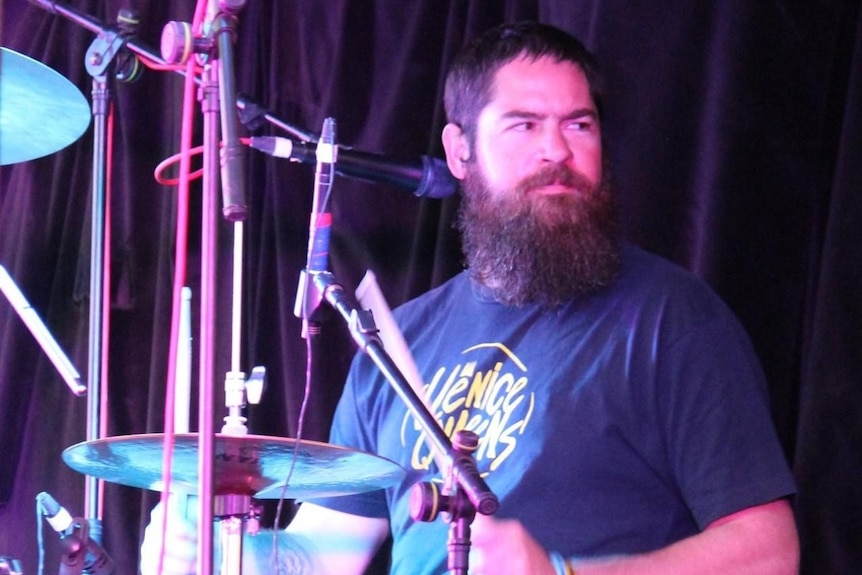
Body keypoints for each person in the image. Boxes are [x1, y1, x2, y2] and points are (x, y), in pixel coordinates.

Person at [141, 20, 799, 575]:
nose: (557, 151)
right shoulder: (395, 340)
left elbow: (771, 552)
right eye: (523, 125)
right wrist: (233, 555)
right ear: (460, 150)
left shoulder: (671, 320)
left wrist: (566, 572)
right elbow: (326, 552)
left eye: (579, 124)